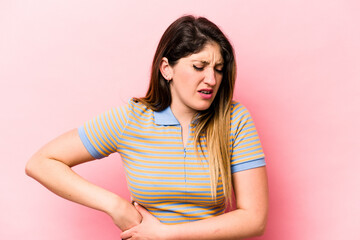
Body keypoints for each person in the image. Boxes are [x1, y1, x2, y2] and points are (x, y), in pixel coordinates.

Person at [26, 15, 268, 239]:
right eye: (199, 66)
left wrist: (163, 234)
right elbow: (41, 163)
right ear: (166, 69)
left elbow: (254, 219)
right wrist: (114, 205)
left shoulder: (234, 120)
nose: (212, 80)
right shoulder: (131, 119)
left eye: (218, 69)